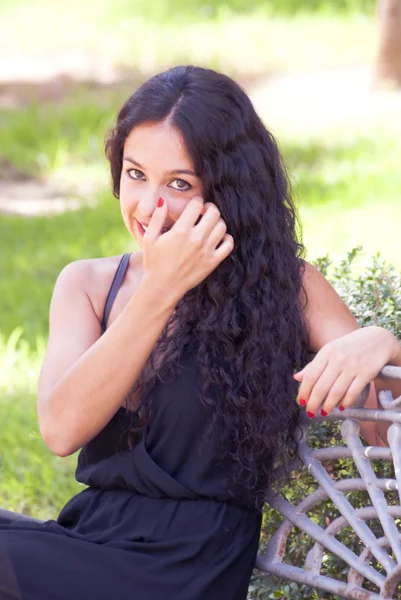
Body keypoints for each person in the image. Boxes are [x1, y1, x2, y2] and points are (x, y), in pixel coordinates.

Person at [0, 65, 400, 600]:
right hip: (88, 539)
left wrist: (383, 343)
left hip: (187, 569)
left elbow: (384, 431)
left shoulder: (287, 288)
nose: (147, 206)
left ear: (228, 192)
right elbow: (61, 427)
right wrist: (158, 288)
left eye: (179, 184)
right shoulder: (89, 285)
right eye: (136, 174)